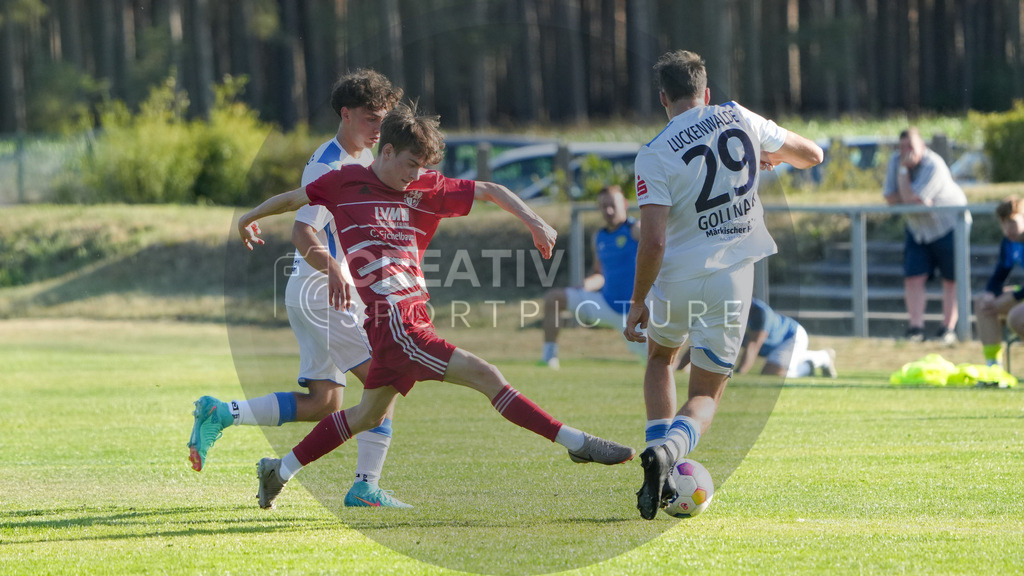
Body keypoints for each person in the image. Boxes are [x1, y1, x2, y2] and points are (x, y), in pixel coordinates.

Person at [237, 104, 636, 510]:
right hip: (397, 325)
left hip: (406, 321)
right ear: (386, 151)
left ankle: (279, 469)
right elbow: (293, 200)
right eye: (410, 165)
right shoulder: (344, 182)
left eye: (422, 167)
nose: (415, 175)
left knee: (367, 416)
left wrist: (535, 222)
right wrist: (248, 217)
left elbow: (490, 190)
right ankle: (576, 442)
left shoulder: (426, 187)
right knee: (487, 375)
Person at [187, 69, 413, 508]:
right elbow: (303, 232)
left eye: (382, 119)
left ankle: (222, 412)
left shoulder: (365, 160)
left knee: (325, 401)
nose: (377, 127)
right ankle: (365, 485)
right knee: (385, 383)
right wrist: (333, 268)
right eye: (370, 118)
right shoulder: (329, 162)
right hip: (323, 293)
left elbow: (301, 199)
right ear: (346, 115)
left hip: (317, 293)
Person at [623, 50, 823, 520]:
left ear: (663, 99)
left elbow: (652, 242)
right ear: (705, 92)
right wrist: (767, 154)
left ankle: (660, 462)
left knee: (659, 358)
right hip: (733, 278)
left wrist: (637, 301)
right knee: (707, 395)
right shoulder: (736, 116)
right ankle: (671, 453)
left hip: (677, 277)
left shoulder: (653, 153)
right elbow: (812, 154)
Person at [540, 185, 645, 369]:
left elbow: (658, 248)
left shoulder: (635, 230)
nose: (609, 210)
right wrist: (583, 286)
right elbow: (600, 274)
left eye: (613, 205)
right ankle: (549, 358)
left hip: (635, 313)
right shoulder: (599, 237)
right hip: (605, 304)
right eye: (604, 206)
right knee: (554, 299)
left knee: (659, 364)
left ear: (625, 204)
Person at [882, 126, 970, 344]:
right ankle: (915, 329)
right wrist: (904, 175)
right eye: (902, 147)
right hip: (919, 230)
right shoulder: (896, 161)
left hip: (950, 226)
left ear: (922, 146)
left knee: (951, 279)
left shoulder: (934, 164)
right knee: (913, 277)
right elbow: (890, 198)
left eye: (910, 146)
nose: (905, 151)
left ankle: (947, 330)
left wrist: (906, 187)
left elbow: (913, 202)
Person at [676, 298, 837, 378]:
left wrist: (738, 375)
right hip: (775, 346)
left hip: (791, 337)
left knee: (772, 374)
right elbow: (703, 340)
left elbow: (753, 346)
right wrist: (679, 368)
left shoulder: (760, 313)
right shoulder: (722, 310)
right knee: (773, 370)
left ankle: (817, 361)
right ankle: (813, 360)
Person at [975, 197, 1024, 367]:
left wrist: (1014, 297)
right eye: (1003, 224)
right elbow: (999, 275)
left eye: (1012, 222)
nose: (1007, 229)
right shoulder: (1009, 243)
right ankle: (994, 367)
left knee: (1017, 317)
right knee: (983, 303)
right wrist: (991, 294)